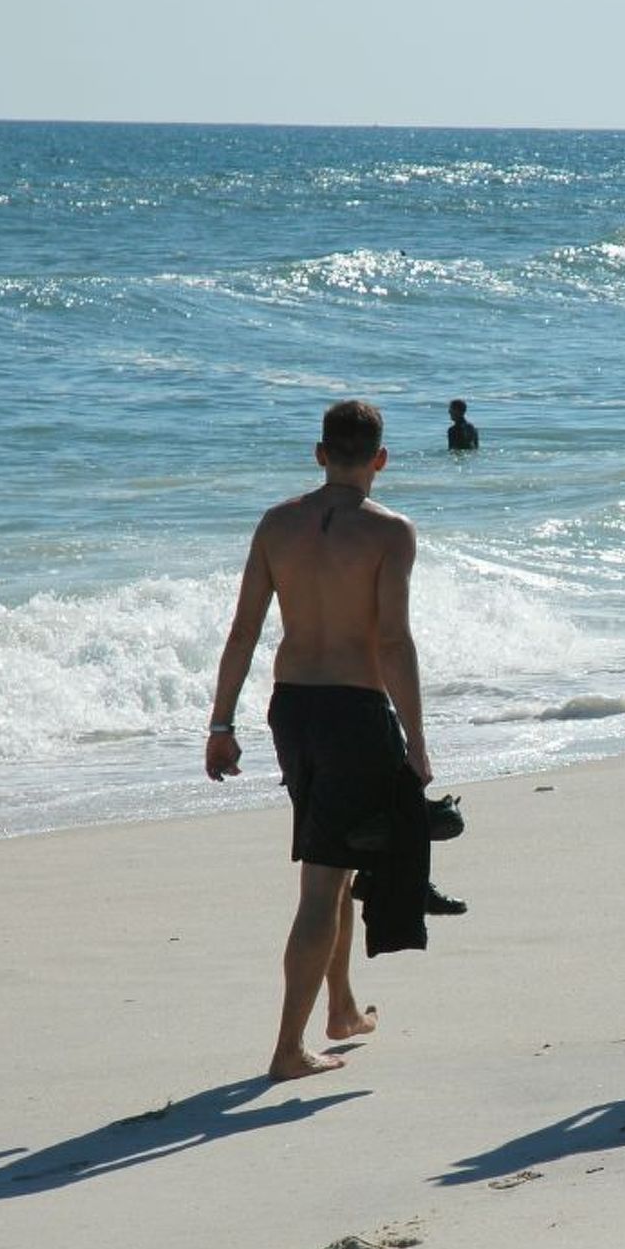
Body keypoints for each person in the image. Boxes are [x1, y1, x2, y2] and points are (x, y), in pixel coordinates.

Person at [205, 399, 435, 1081]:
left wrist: (221, 724)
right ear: (380, 459)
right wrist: (417, 738)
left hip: (292, 710)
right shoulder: (390, 533)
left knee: (331, 858)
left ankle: (340, 1009)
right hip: (353, 712)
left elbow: (242, 632)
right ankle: (286, 1049)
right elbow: (392, 642)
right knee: (322, 881)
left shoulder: (276, 525)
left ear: (319, 453)